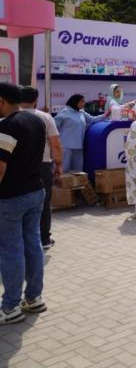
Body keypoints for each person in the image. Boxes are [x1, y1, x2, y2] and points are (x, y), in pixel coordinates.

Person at [0, 82, 47, 324]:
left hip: (11, 197)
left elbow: (0, 167)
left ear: (1, 100)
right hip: (35, 190)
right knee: (33, 244)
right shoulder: (36, 121)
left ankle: (10, 307)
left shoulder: (6, 126)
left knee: (11, 250)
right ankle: (34, 297)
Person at [20, 87, 63, 250]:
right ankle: (44, 238)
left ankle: (22, 238)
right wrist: (58, 165)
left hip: (16, 167)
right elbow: (55, 144)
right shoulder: (45, 117)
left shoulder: (11, 117)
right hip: (42, 165)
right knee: (43, 202)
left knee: (19, 201)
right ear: (36, 100)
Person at [55, 94, 108, 172]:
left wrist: (106, 115)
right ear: (75, 102)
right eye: (82, 101)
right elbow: (54, 126)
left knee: (78, 171)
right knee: (64, 170)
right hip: (66, 147)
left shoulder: (81, 112)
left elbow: (92, 119)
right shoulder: (64, 112)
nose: (84, 103)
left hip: (79, 147)